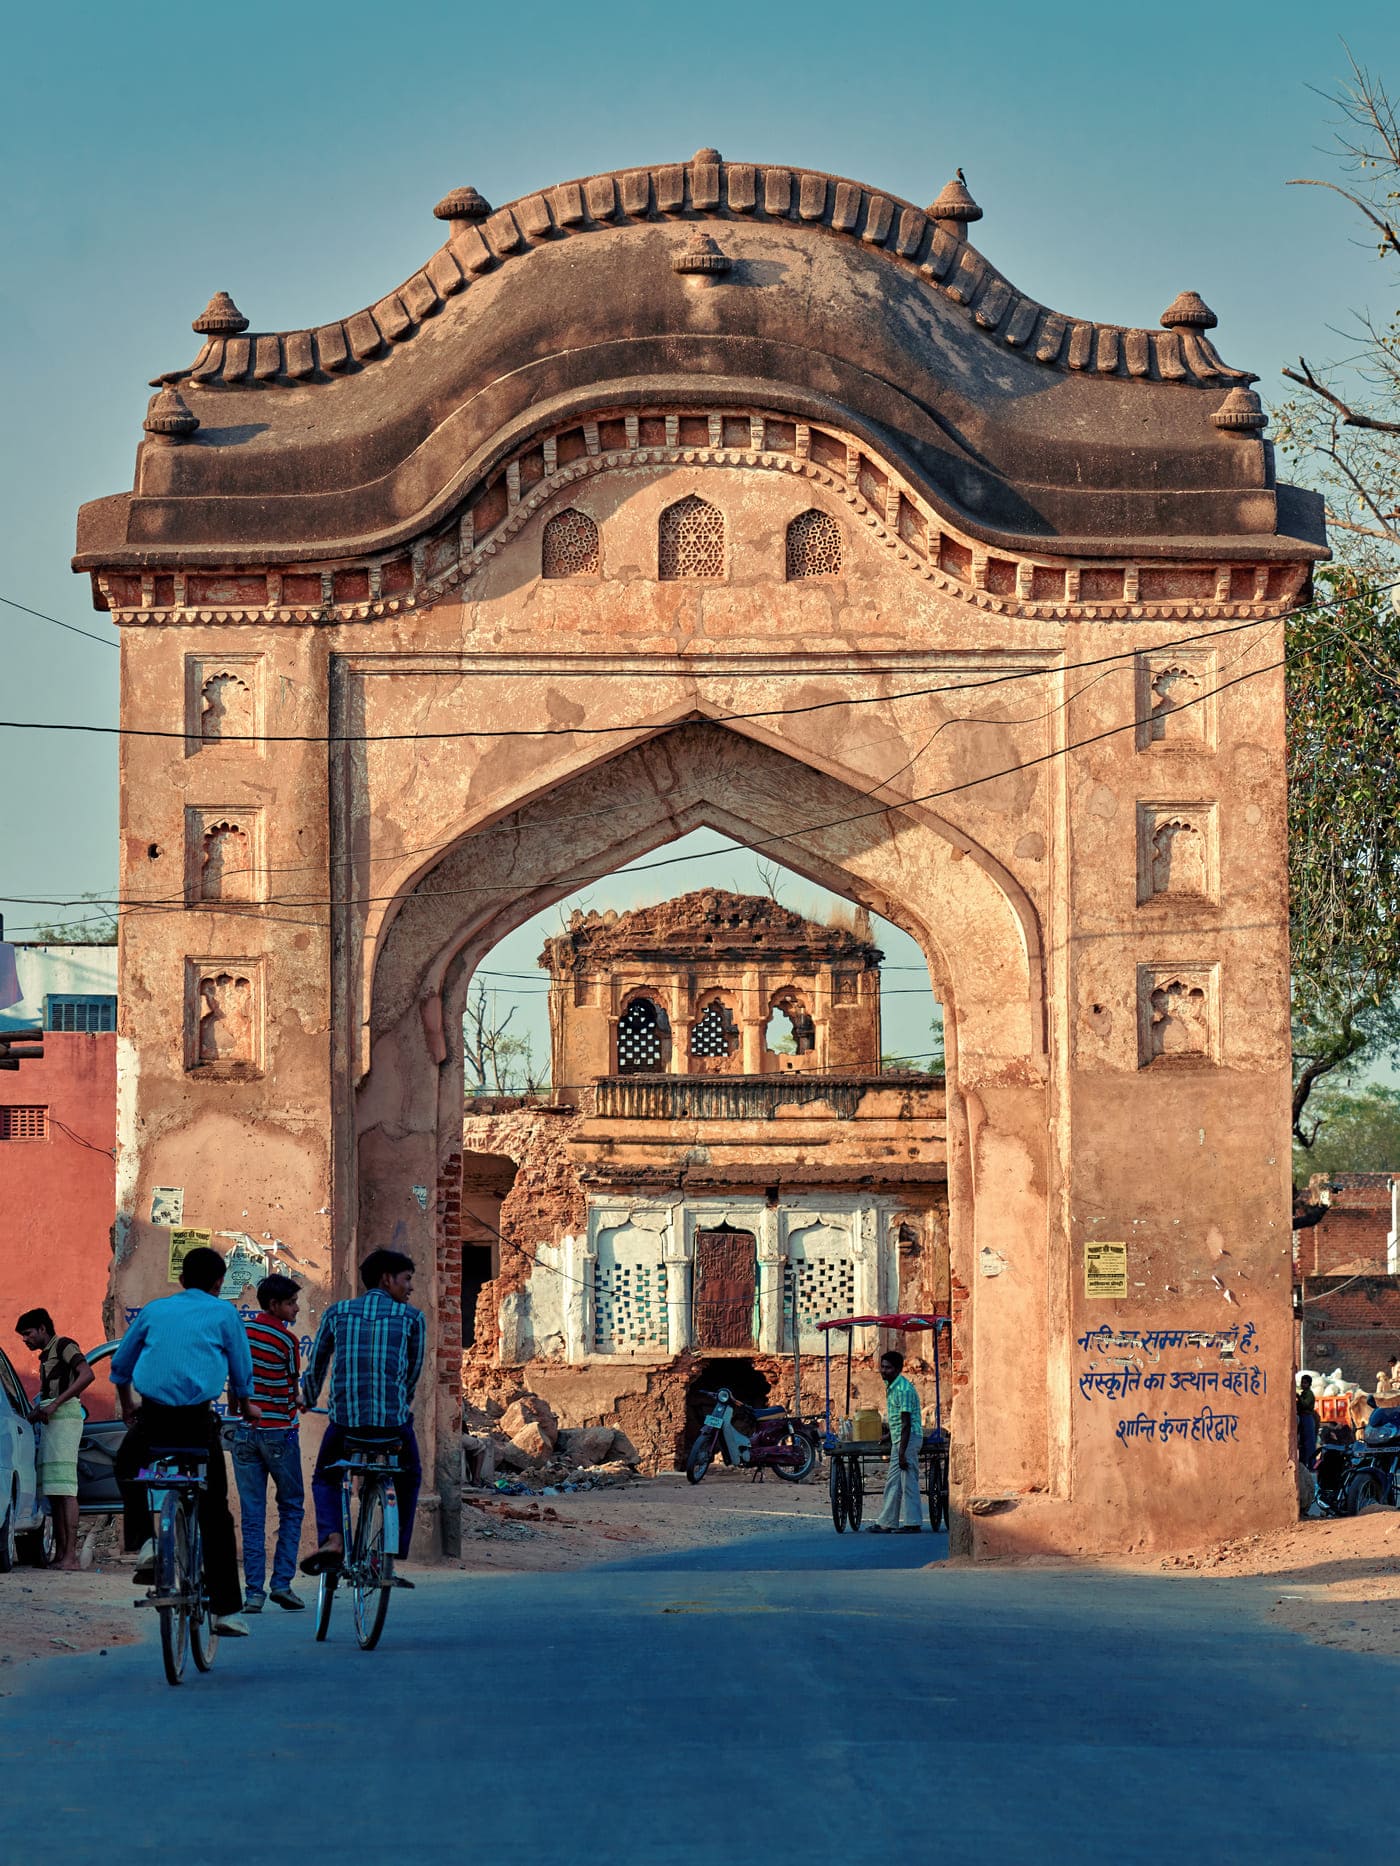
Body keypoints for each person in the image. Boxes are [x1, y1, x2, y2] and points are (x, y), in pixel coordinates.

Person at [110, 1245, 259, 1637]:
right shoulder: (225, 1312)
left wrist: (128, 1410)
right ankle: (226, 1610)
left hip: (153, 1421)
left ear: (180, 1279)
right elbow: (242, 1371)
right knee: (215, 1512)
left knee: (129, 1467)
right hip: (196, 1425)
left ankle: (145, 1542)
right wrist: (246, 1405)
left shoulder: (155, 1311)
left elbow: (120, 1367)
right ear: (218, 1283)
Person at [300, 1248, 426, 1579]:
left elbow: (317, 1367)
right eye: (407, 1279)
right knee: (410, 1474)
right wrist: (398, 1405)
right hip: (393, 1427)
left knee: (325, 1476)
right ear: (387, 1279)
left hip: (346, 1425)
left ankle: (333, 1540)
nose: (410, 1288)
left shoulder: (337, 1314)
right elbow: (411, 1375)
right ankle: (392, 1547)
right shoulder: (412, 1318)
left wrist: (308, 1397)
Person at [231, 1274, 306, 1613]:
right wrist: (296, 1402)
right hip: (282, 1431)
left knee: (252, 1513)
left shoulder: (244, 1333)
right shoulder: (288, 1342)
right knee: (291, 1505)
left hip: (245, 1431)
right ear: (275, 1305)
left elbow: (237, 1383)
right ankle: (282, 1583)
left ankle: (254, 1593)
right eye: (291, 1303)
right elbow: (290, 1390)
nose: (296, 1308)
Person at [14, 1309, 94, 1571]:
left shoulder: (64, 1345)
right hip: (53, 1423)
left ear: (42, 1329)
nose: (25, 1339)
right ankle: (61, 1555)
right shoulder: (47, 1355)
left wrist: (56, 1404)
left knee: (67, 1490)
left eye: (27, 1334)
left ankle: (70, 1557)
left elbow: (87, 1374)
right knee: (57, 1492)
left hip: (65, 1421)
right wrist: (37, 1412)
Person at [866, 1348, 923, 1535]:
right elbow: (897, 1420)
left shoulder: (904, 1389)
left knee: (908, 1481)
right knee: (894, 1482)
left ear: (898, 1369)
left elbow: (906, 1423)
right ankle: (887, 1522)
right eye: (882, 1367)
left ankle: (912, 1523)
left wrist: (901, 1453)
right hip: (900, 1439)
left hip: (908, 1439)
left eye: (888, 1368)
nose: (884, 1371)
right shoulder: (892, 1386)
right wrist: (889, 1436)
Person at [1296, 1374, 1318, 1470]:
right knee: (1303, 1443)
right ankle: (1305, 1463)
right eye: (1302, 1382)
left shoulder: (1309, 1394)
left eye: (1305, 1383)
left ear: (1309, 1384)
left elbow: (1305, 1404)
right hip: (1303, 1418)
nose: (1303, 1384)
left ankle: (1311, 1464)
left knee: (1309, 1443)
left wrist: (1298, 1397)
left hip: (1307, 1418)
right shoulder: (1304, 1393)